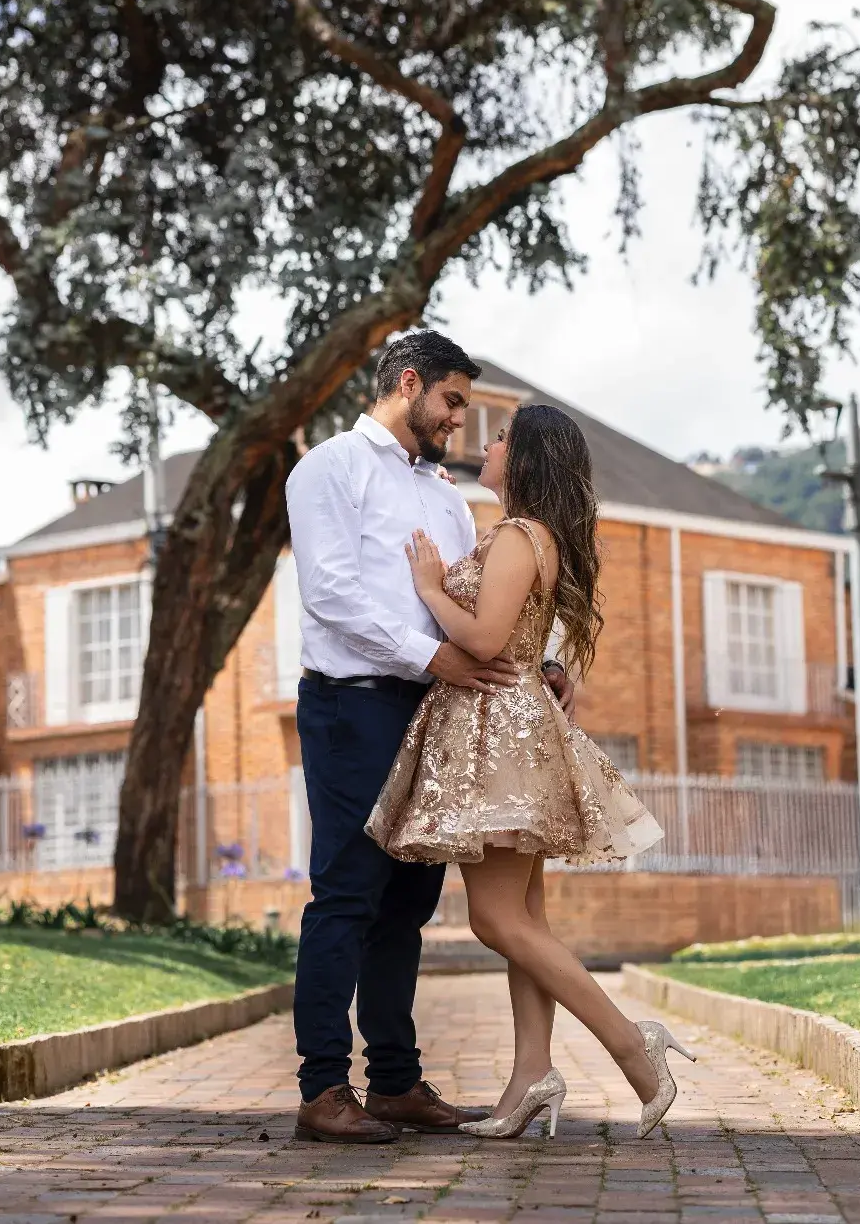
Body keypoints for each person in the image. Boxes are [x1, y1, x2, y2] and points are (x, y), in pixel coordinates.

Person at [366, 403, 697, 1140]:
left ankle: (630, 1043)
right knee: (527, 921)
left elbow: (485, 639)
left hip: (498, 731)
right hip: (512, 724)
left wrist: (429, 588)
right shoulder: (525, 534)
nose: (487, 444)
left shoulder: (519, 536)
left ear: (524, 458)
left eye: (501, 437)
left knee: (494, 919)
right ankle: (530, 1078)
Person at [285, 331, 573, 1144]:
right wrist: (433, 656)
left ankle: (395, 1082)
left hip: (434, 713)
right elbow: (331, 596)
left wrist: (542, 663)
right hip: (352, 707)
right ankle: (321, 1088)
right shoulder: (330, 469)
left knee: (408, 903)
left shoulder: (447, 497)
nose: (458, 421)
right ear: (408, 384)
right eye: (451, 401)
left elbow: (479, 602)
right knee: (348, 891)